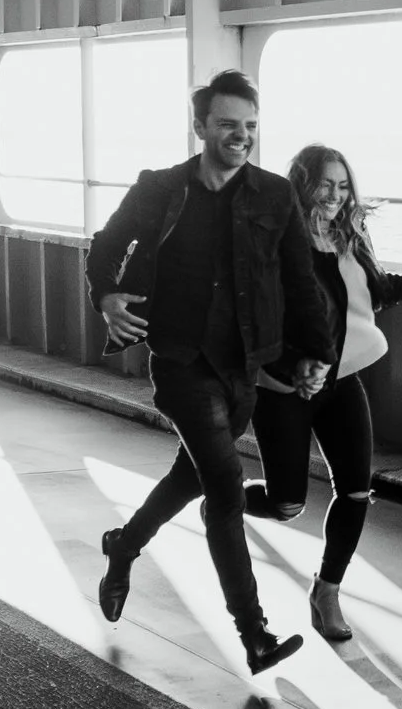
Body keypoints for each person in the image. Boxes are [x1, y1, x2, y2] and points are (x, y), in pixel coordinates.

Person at [85, 69, 333, 675]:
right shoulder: (160, 189)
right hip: (179, 361)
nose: (240, 136)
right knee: (224, 488)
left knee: (188, 477)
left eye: (250, 126)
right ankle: (254, 633)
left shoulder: (275, 196)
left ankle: (124, 546)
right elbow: (106, 245)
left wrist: (317, 355)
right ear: (200, 127)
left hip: (243, 366)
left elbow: (301, 282)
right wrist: (107, 297)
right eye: (227, 125)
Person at [245, 144, 402, 642]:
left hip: (342, 381)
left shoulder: (349, 235)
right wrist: (292, 368)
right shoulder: (279, 241)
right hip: (284, 387)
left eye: (343, 187)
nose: (335, 197)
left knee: (358, 490)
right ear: (302, 183)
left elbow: (377, 291)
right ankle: (226, 502)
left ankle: (326, 591)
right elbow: (259, 320)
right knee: (286, 505)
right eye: (325, 185)